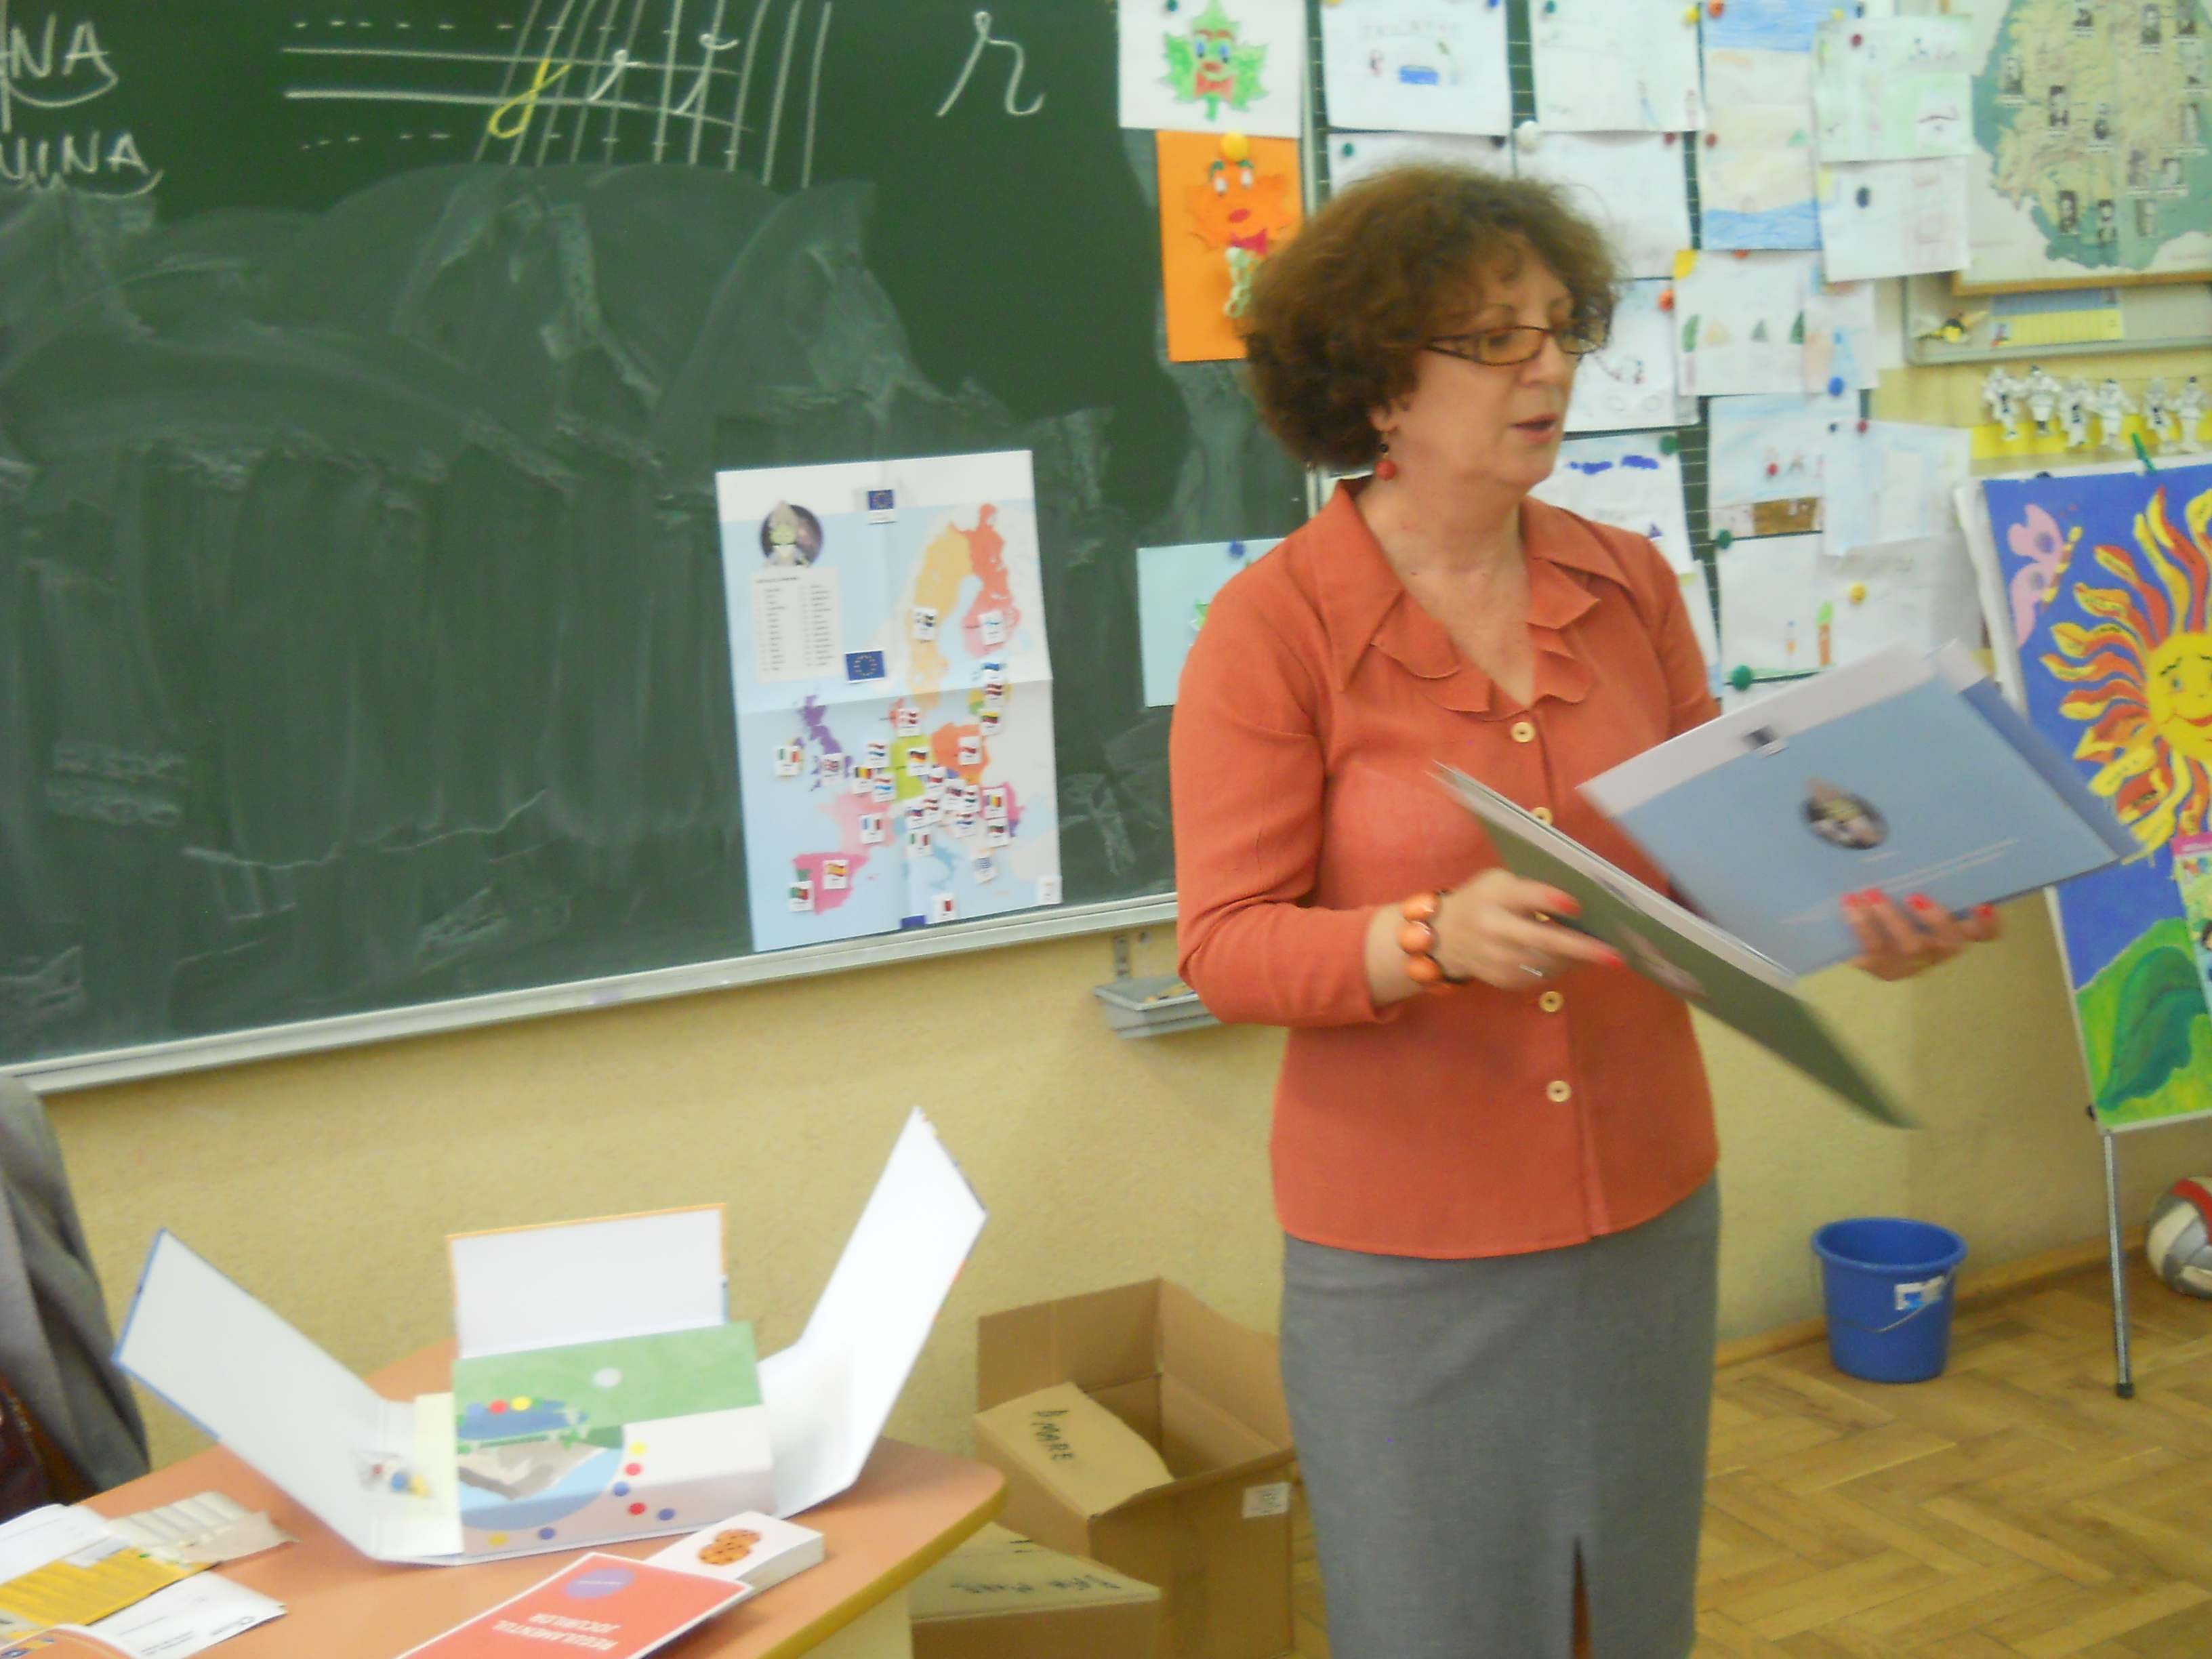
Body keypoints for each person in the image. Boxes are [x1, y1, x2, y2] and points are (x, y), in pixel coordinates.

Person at [1169, 165, 2001, 1659]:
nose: (1547, 367)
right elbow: (1225, 946)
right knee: (1433, 1624)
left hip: (1647, 1210)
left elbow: (1707, 872)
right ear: (1378, 386)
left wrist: (1867, 918)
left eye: (1561, 330)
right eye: (1496, 340)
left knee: (1626, 1611)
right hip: (1409, 1250)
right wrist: (1425, 939)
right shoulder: (1273, 626)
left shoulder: (1627, 585)